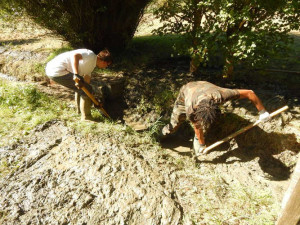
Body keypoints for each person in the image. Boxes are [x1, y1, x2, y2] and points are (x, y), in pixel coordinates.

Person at [161, 81, 271, 156]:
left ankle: (197, 147)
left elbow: (249, 93)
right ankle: (161, 133)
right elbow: (197, 127)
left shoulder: (221, 95)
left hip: (205, 87)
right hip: (187, 90)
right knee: (175, 123)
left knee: (205, 128)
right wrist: (202, 144)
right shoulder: (191, 109)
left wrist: (262, 111)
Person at [45, 48, 112, 121]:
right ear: (104, 61)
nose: (106, 67)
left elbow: (86, 84)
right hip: (57, 70)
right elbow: (75, 56)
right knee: (86, 89)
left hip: (54, 70)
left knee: (83, 88)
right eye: (107, 65)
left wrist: (93, 99)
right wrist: (76, 74)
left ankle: (79, 112)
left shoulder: (91, 67)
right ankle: (86, 118)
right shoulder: (90, 55)